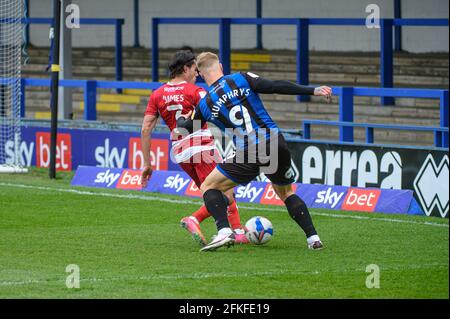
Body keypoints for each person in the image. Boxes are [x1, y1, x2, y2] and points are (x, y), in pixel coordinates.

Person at [177, 52, 332, 252]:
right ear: (221, 67)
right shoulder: (242, 78)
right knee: (286, 192)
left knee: (209, 185)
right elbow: (276, 85)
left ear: (199, 73)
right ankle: (313, 238)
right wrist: (313, 90)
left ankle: (224, 231)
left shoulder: (204, 104)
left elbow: (187, 129)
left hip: (250, 151)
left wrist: (183, 118)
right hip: (276, 142)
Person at [140, 50, 249, 247]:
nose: (197, 74)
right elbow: (219, 109)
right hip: (201, 147)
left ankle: (238, 231)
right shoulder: (195, 92)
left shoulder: (157, 94)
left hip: (180, 152)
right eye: (194, 69)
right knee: (223, 189)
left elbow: (146, 128)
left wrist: (147, 163)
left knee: (216, 191)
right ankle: (199, 221)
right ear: (185, 68)